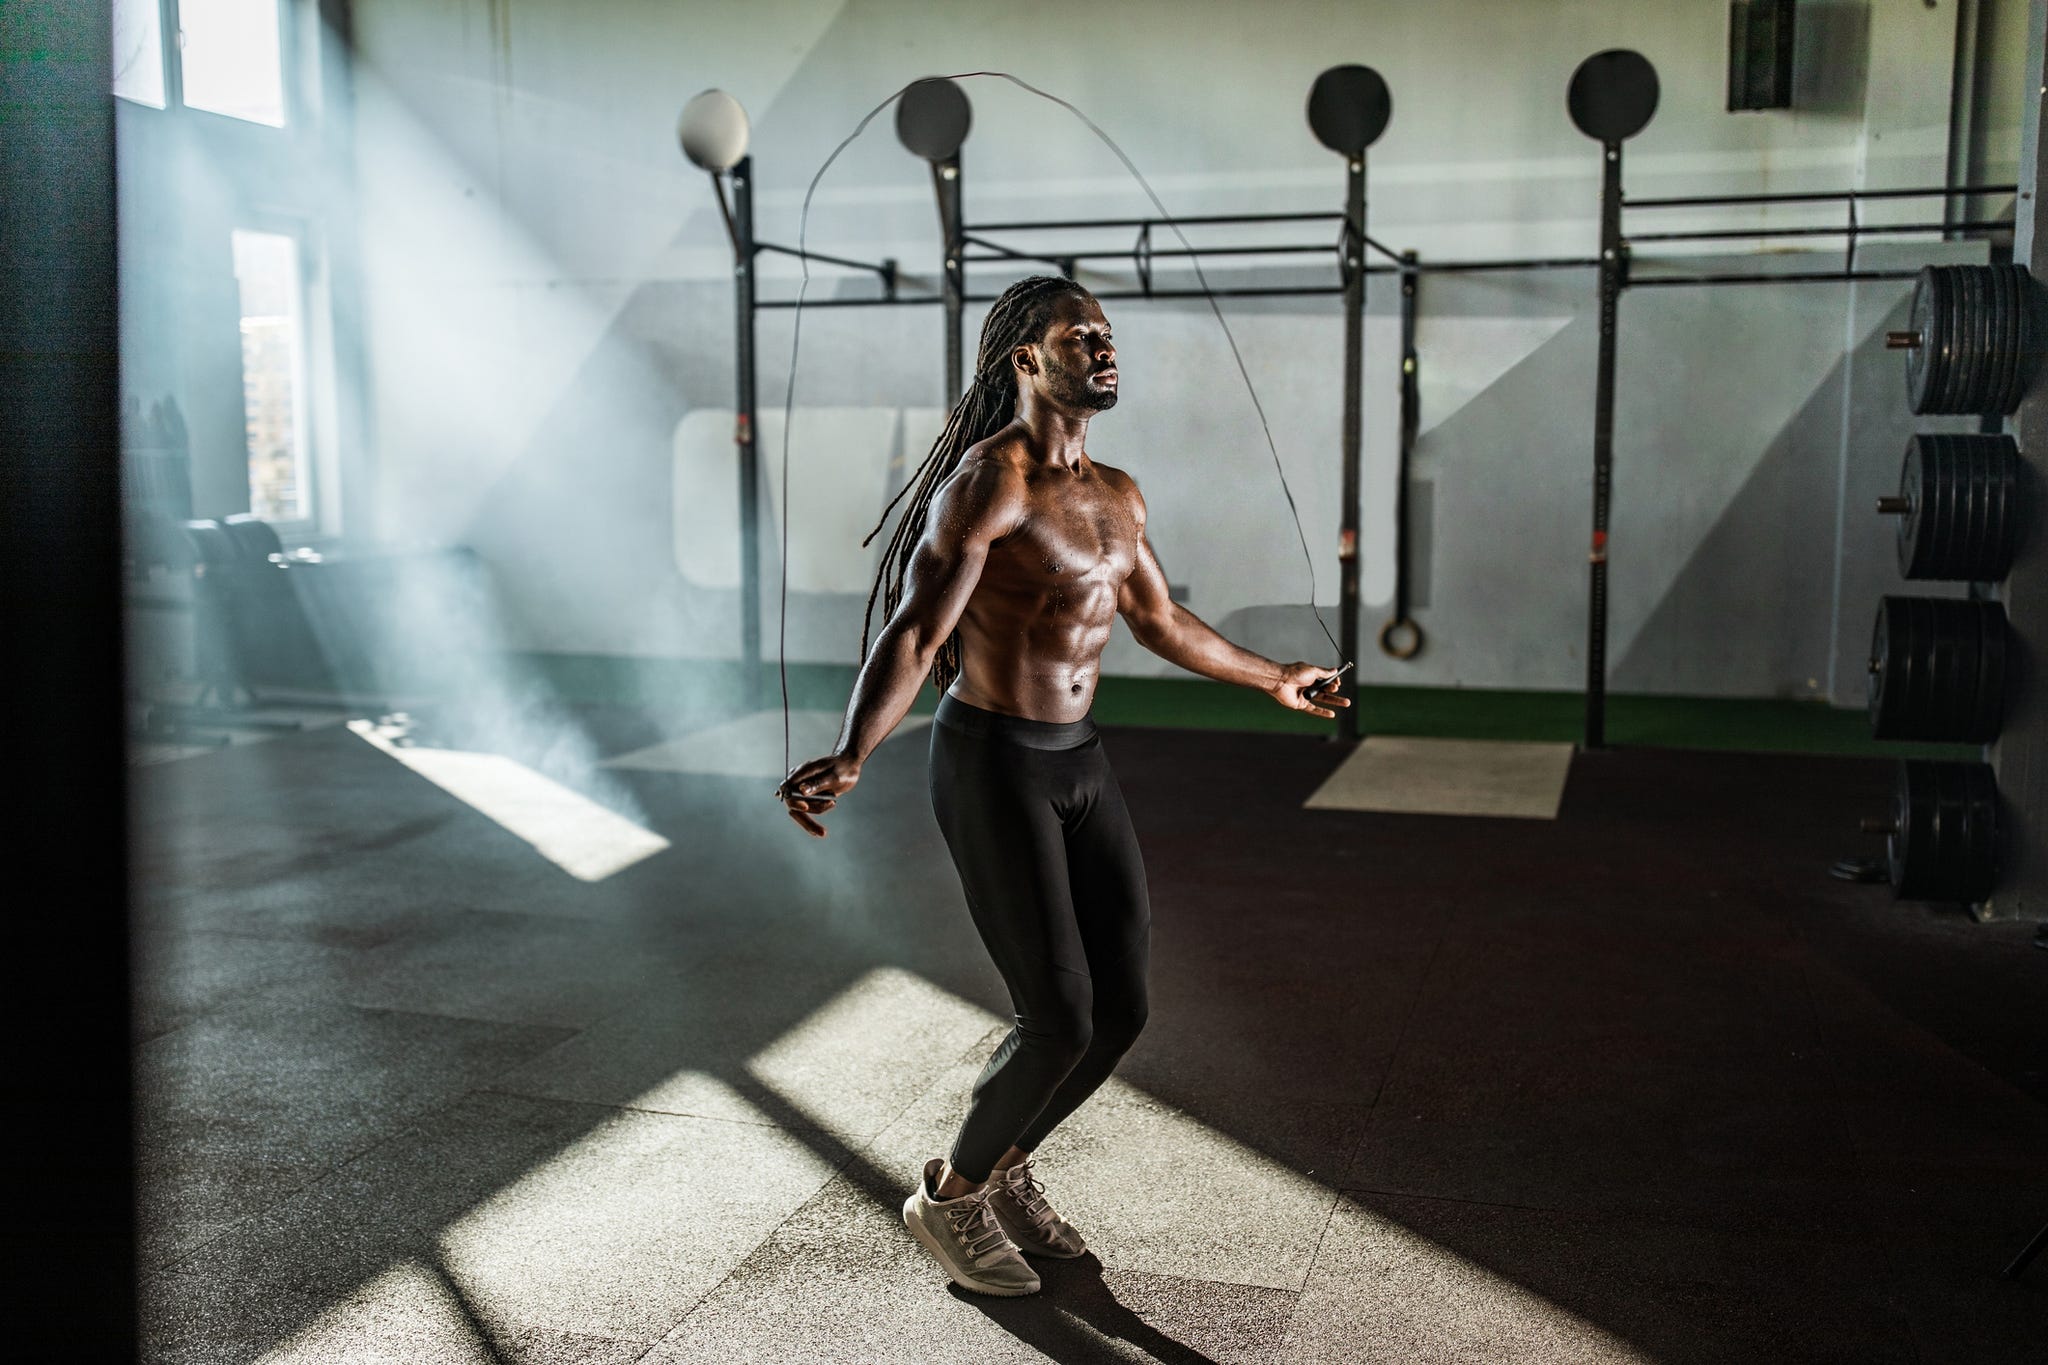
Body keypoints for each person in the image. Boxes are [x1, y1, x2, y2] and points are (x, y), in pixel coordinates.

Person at [776, 274, 1348, 1297]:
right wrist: (857, 748)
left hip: (1078, 761)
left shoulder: (1118, 496)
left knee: (1119, 1006)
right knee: (1059, 1014)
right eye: (1078, 336)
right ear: (1025, 361)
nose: (1102, 348)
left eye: (1106, 335)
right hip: (991, 763)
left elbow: (1159, 622)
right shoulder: (989, 486)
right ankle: (950, 1195)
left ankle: (1001, 1164)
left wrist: (1275, 679)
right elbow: (918, 629)